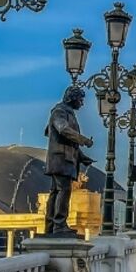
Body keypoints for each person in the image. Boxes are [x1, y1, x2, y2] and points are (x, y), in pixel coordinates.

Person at [44, 86, 94, 236]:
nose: (82, 103)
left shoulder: (67, 113)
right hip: (61, 158)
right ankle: (59, 225)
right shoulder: (60, 112)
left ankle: (51, 225)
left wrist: (83, 157)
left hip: (64, 158)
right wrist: (83, 139)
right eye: (80, 99)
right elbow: (63, 130)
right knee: (63, 190)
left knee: (56, 191)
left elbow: (69, 142)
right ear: (73, 98)